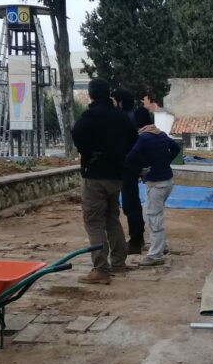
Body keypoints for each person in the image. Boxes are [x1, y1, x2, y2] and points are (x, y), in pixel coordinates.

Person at [71, 78, 139, 284]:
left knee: (94, 222)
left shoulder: (89, 117)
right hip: (116, 176)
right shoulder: (121, 117)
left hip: (94, 176)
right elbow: (133, 140)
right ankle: (118, 262)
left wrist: (90, 153)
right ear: (108, 94)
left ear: (91, 95)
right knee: (112, 218)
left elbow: (77, 135)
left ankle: (100, 268)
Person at [125, 107, 180, 266]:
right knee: (147, 213)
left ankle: (156, 255)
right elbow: (175, 148)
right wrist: (164, 162)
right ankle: (161, 246)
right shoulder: (161, 134)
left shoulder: (143, 138)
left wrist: (140, 169)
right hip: (167, 181)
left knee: (154, 218)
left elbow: (129, 158)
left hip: (156, 184)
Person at [111, 87, 145, 254]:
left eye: (114, 101)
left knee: (130, 204)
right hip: (131, 167)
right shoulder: (133, 118)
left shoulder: (124, 119)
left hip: (126, 167)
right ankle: (137, 238)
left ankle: (136, 240)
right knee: (132, 202)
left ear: (120, 102)